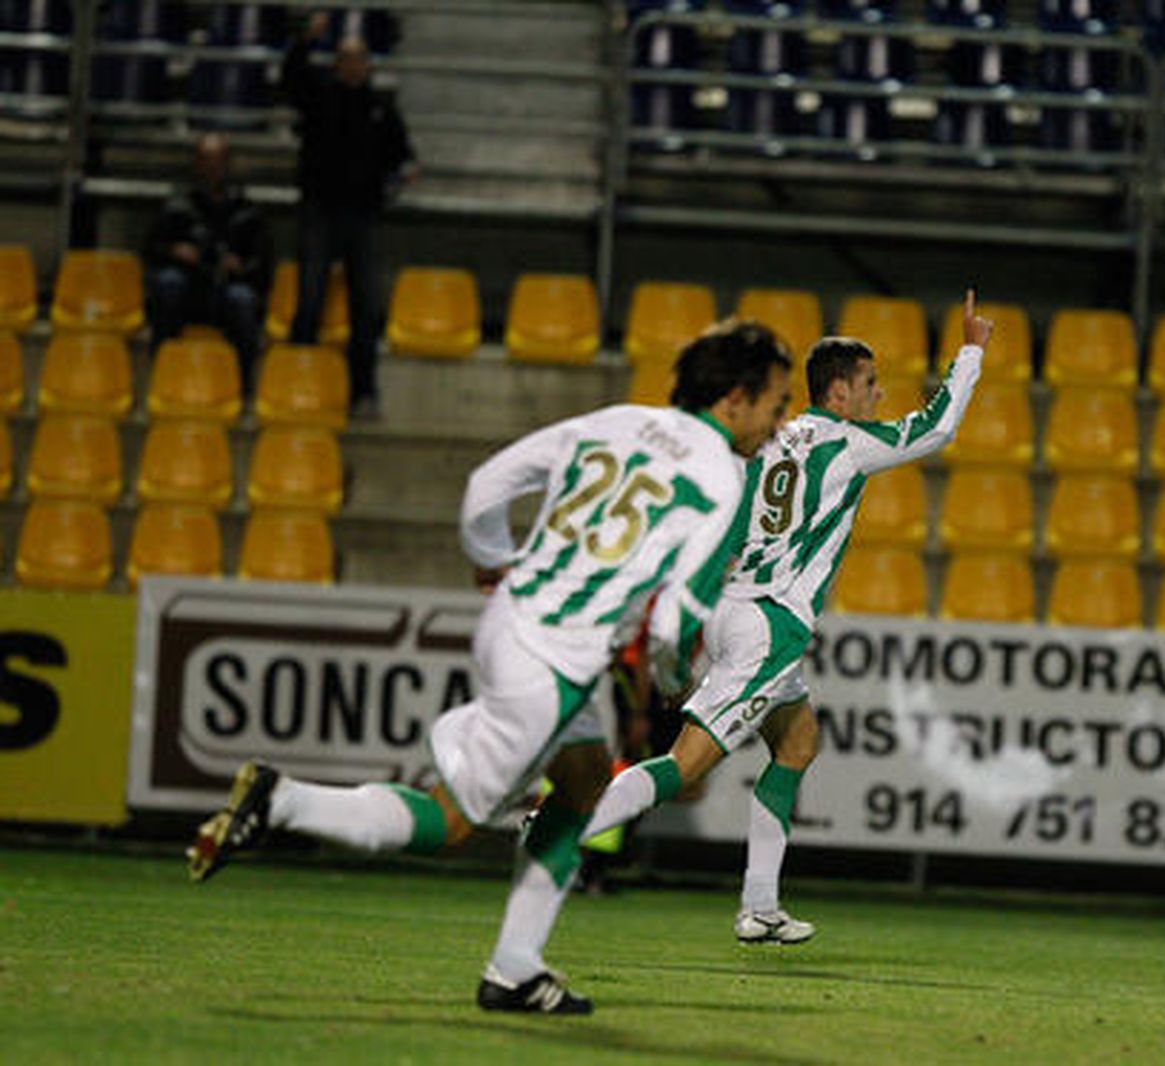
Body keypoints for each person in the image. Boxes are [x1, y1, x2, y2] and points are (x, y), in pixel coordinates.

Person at [187, 320, 794, 1015]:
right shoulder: (722, 479)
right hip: (554, 663)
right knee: (450, 823)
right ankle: (285, 800)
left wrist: (490, 559)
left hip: (511, 618)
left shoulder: (618, 420)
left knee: (585, 778)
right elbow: (673, 619)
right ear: (737, 399)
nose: (776, 428)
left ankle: (516, 967)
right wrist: (673, 687)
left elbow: (488, 483)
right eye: (776, 407)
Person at [575, 289, 992, 945]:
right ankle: (562, 816)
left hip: (735, 607)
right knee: (684, 765)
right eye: (871, 384)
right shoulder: (847, 443)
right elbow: (937, 427)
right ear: (840, 395)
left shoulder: (769, 441)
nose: (880, 395)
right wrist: (970, 351)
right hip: (771, 623)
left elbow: (724, 530)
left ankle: (760, 906)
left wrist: (689, 629)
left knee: (798, 744)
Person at [282, 11, 415, 417]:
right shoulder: (320, 96)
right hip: (320, 212)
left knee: (365, 310)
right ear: (337, 65)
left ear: (369, 65)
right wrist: (305, 41)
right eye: (347, 60)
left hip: (362, 217)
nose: (355, 67)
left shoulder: (379, 108)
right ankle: (292, 385)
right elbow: (291, 80)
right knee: (309, 302)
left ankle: (363, 392)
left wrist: (403, 173)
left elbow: (403, 155)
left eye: (361, 60)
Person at [145, 133, 271, 390]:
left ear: (227, 164)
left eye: (218, 160)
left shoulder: (246, 212)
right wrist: (174, 251)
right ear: (196, 164)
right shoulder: (177, 206)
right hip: (189, 288)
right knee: (168, 283)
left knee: (243, 299)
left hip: (226, 290)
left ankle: (243, 385)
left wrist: (240, 266)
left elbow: (262, 263)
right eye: (206, 160)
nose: (212, 167)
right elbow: (150, 250)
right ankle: (162, 374)